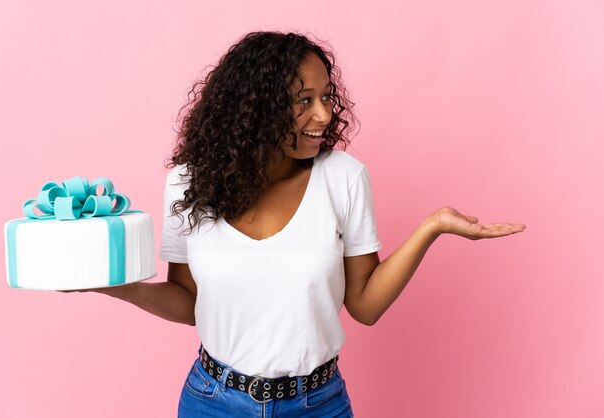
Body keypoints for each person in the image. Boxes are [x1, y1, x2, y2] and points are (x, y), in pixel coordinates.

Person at [82, 31, 526, 417]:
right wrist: (115, 287)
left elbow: (365, 307)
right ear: (257, 109)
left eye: (326, 97)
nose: (325, 115)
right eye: (304, 101)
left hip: (317, 404)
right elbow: (187, 299)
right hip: (212, 401)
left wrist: (432, 226)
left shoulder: (344, 178)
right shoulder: (189, 183)